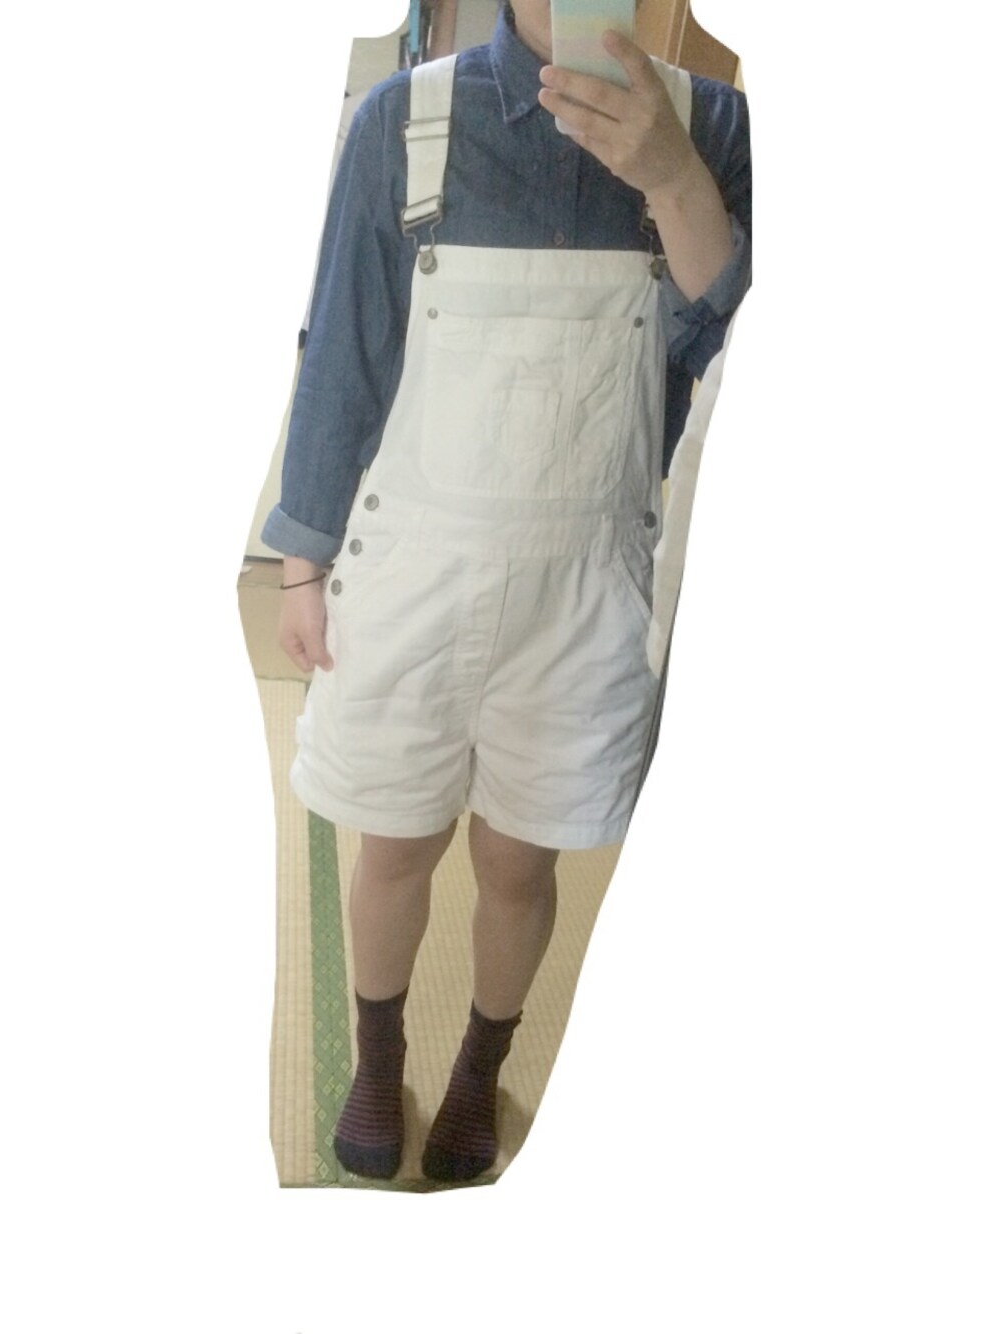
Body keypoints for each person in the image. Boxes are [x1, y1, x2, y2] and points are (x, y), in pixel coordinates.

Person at [261, 0, 751, 1183]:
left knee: (521, 864)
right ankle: (380, 1051)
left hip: (586, 587)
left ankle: (481, 1059)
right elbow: (342, 352)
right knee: (393, 842)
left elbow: (729, 340)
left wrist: (673, 180)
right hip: (411, 573)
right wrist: (302, 559)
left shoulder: (714, 128)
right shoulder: (406, 122)